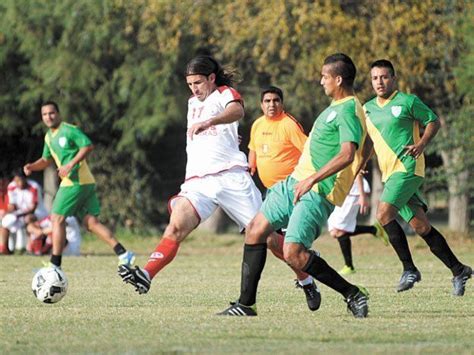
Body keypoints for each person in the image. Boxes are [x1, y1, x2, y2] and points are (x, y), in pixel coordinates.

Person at [118, 56, 316, 308]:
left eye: (198, 82)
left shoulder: (225, 93)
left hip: (231, 177)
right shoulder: (192, 103)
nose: (194, 88)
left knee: (269, 239)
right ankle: (146, 274)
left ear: (211, 78)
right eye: (190, 84)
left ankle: (306, 279)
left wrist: (210, 121)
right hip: (198, 182)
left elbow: (237, 111)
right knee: (176, 226)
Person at [218, 53, 370, 318]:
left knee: (294, 253)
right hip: (293, 183)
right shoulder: (337, 107)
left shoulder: (348, 110)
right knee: (255, 230)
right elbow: (366, 145)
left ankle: (353, 294)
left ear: (338, 78)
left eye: (324, 76)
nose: (321, 81)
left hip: (317, 191)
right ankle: (246, 304)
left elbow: (348, 152)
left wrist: (314, 179)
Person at [364, 59, 472, 296]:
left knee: (383, 214)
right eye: (375, 78)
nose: (379, 82)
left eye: (384, 77)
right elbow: (371, 141)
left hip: (408, 169)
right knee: (421, 227)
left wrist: (422, 144)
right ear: (371, 81)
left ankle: (409, 269)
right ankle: (458, 269)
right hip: (389, 174)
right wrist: (362, 163)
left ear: (393, 78)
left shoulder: (408, 101)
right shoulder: (368, 109)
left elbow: (433, 121)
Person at [23, 101, 135, 269]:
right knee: (91, 223)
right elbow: (46, 160)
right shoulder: (48, 137)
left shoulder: (68, 130)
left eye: (51, 113)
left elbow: (87, 146)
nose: (48, 117)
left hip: (75, 182)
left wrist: (70, 164)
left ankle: (55, 264)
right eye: (45, 114)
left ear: (58, 113)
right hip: (85, 183)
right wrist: (32, 166)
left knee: (56, 218)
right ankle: (124, 254)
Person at [248, 86, 320, 310]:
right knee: (272, 242)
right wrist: (250, 167)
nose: (272, 104)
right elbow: (254, 149)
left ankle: (309, 272)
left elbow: (310, 150)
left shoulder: (289, 124)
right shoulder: (258, 125)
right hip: (271, 194)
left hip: (291, 192)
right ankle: (307, 279)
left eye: (276, 100)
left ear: (282, 103)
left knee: (286, 246)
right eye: (267, 101)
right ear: (261, 104)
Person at [328, 174, 389, 275]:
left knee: (338, 230)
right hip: (344, 192)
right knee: (334, 231)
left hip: (353, 192)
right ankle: (374, 229)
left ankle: (349, 266)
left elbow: (358, 172)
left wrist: (362, 195)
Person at [0, 171, 48, 254]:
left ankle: (31, 247)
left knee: (28, 218)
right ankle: (4, 248)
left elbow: (33, 208)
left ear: (25, 179)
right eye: (16, 181)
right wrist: (6, 212)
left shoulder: (33, 186)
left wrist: (18, 215)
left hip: (37, 213)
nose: (18, 183)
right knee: (5, 222)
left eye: (20, 180)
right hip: (19, 213)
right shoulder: (12, 186)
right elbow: (12, 205)